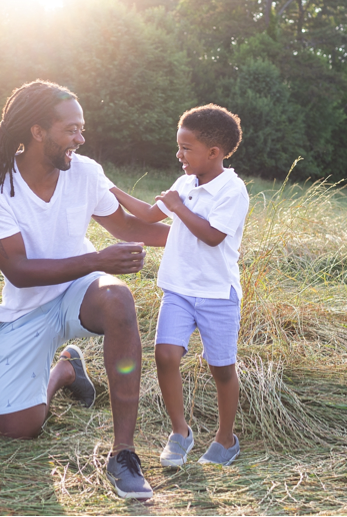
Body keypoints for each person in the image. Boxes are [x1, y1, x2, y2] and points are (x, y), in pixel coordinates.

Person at [0, 80, 169, 500]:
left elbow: (127, 227)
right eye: (71, 129)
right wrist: (97, 260)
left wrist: (207, 241)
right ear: (37, 131)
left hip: (81, 291)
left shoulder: (85, 172)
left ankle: (123, 454)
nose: (81, 138)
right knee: (18, 429)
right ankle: (66, 370)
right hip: (27, 306)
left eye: (82, 128)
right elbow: (18, 271)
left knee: (118, 298)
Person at [112, 104, 249, 467]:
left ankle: (225, 439)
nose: (179, 155)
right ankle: (180, 431)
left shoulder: (232, 191)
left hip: (218, 294)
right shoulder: (184, 184)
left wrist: (179, 207)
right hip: (179, 288)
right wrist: (108, 189)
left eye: (186, 148)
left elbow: (213, 236)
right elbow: (147, 213)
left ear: (213, 153)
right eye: (179, 146)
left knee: (221, 368)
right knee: (165, 354)